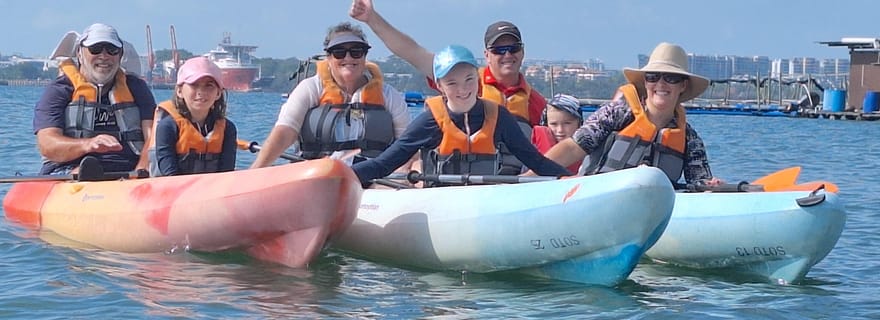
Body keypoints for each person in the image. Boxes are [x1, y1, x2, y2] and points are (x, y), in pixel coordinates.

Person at [349, 0, 545, 174]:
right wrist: (372, 18)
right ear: (487, 55)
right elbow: (412, 52)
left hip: (517, 188)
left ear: (522, 51)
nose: (507, 55)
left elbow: (544, 154)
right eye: (499, 50)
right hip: (457, 187)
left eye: (513, 48)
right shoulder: (463, 80)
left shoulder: (536, 102)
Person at [352, 45, 570, 186]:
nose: (463, 89)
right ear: (439, 86)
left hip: (484, 204)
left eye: (468, 79)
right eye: (452, 83)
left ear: (478, 79)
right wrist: (344, 175)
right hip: (439, 205)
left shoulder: (499, 117)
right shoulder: (430, 121)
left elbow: (536, 161)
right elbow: (384, 164)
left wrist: (571, 180)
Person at [538, 42, 722, 187]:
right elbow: (572, 148)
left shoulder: (690, 139)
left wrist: (710, 186)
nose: (661, 84)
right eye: (653, 77)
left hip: (650, 213)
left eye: (671, 78)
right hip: (594, 197)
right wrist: (531, 175)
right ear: (646, 82)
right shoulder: (616, 114)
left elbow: (700, 183)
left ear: (683, 86)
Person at [250, 22, 411, 168]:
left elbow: (407, 147)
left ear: (364, 56)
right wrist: (255, 171)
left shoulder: (390, 96)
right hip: (319, 176)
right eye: (339, 52)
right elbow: (285, 132)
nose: (348, 58)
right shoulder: (310, 88)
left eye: (356, 52)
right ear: (328, 57)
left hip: (375, 180)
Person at [33, 23, 156, 175]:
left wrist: (142, 169)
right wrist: (89, 144)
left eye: (112, 50)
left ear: (120, 55)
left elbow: (153, 136)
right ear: (79, 53)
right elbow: (47, 144)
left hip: (129, 170)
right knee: (82, 170)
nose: (104, 56)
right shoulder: (59, 90)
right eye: (95, 49)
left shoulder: (137, 88)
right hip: (70, 170)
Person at [149, 56, 237, 176]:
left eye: (209, 85)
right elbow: (169, 174)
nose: (201, 92)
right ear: (179, 91)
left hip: (213, 189)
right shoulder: (168, 127)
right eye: (194, 85)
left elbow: (226, 173)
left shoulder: (228, 129)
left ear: (218, 93)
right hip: (174, 189)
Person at [531, 94, 583, 173]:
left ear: (579, 124)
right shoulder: (533, 152)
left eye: (567, 123)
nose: (560, 130)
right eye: (554, 124)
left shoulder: (590, 152)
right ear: (545, 124)